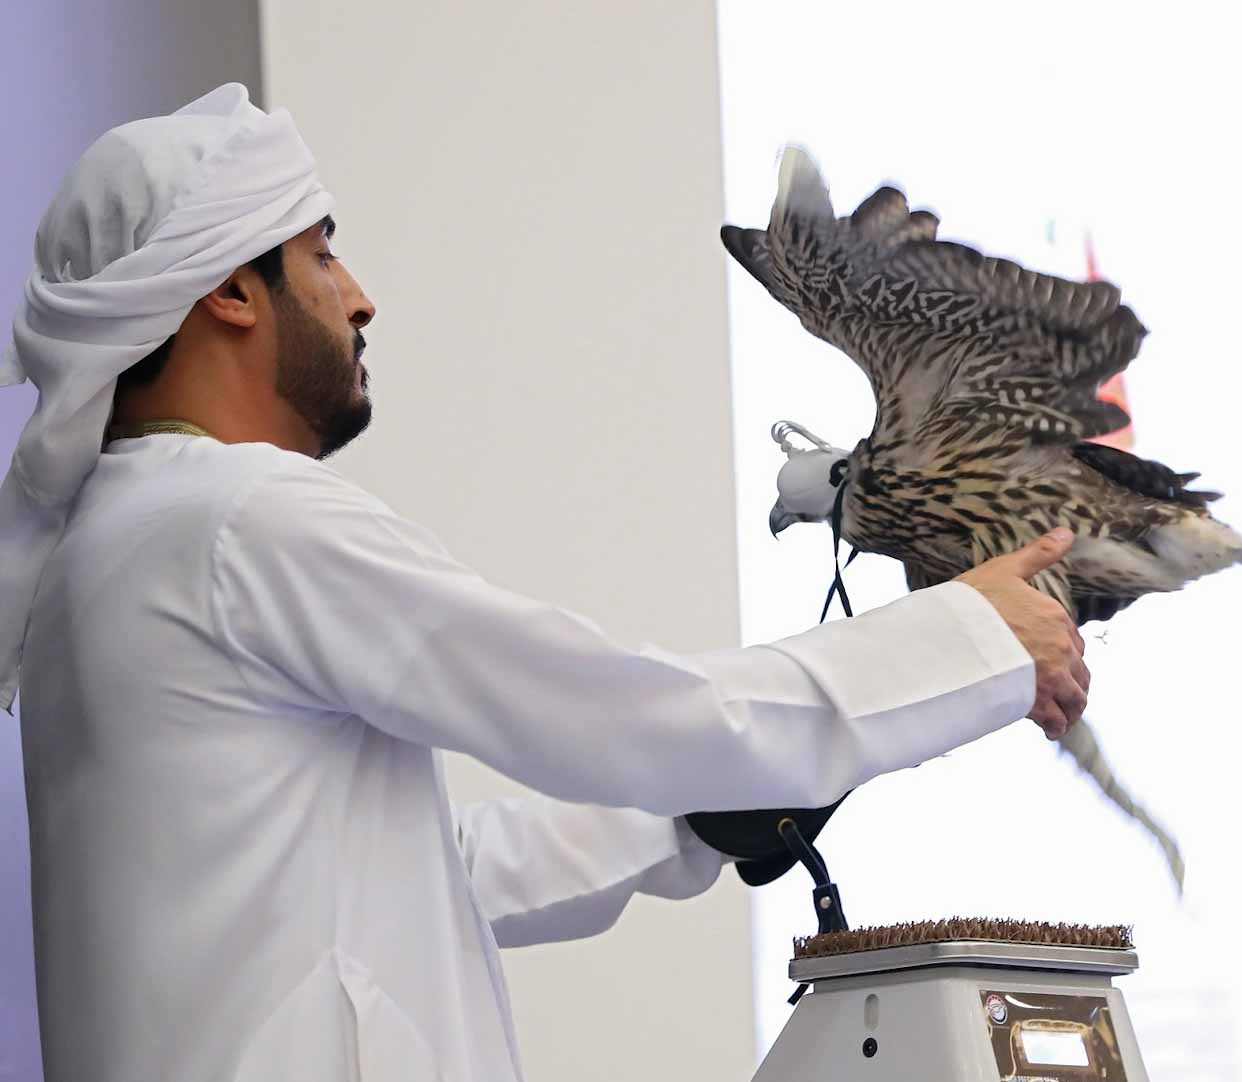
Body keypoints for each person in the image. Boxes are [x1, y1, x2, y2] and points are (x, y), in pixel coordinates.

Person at [0, 85, 1091, 1082]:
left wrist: (700, 826)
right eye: (322, 255)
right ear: (233, 290)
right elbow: (618, 711)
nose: (360, 298)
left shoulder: (112, 549)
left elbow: (421, 872)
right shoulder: (237, 519)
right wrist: (972, 637)